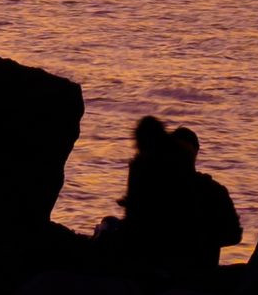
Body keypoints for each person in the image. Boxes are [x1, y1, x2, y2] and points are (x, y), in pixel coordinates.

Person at [90, 115, 243, 284]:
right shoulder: (214, 189)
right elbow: (234, 235)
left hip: (169, 267)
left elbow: (139, 225)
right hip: (199, 267)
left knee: (108, 227)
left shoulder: (157, 184)